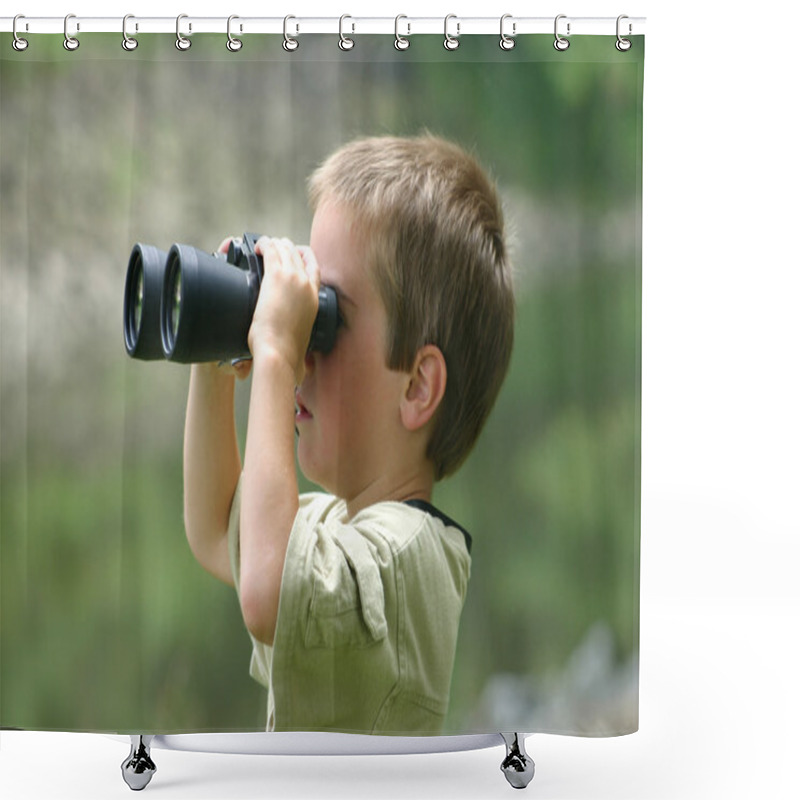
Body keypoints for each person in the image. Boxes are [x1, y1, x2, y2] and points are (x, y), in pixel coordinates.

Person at [182, 134, 514, 735]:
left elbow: (266, 592)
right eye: (306, 314)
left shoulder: (409, 557)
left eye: (325, 318)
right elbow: (214, 528)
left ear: (416, 387)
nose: (308, 349)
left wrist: (277, 354)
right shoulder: (336, 526)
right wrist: (220, 347)